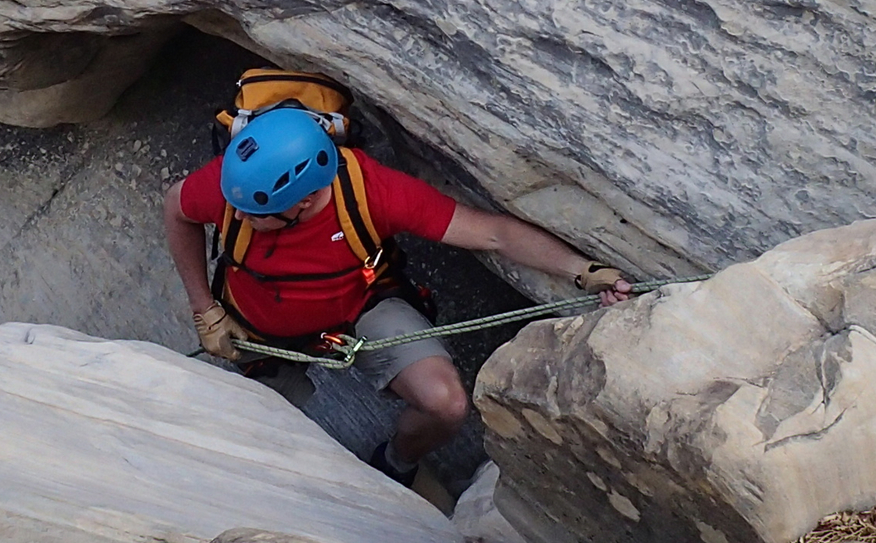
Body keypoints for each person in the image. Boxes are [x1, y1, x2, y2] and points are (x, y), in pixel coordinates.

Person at [163, 104, 633, 484]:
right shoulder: (241, 185)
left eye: (255, 215)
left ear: (305, 200)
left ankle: (395, 464)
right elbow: (177, 208)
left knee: (445, 404)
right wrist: (205, 310)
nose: (238, 219)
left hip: (358, 306)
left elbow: (493, 234)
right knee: (239, 449)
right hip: (258, 327)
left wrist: (583, 271)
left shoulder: (371, 193)